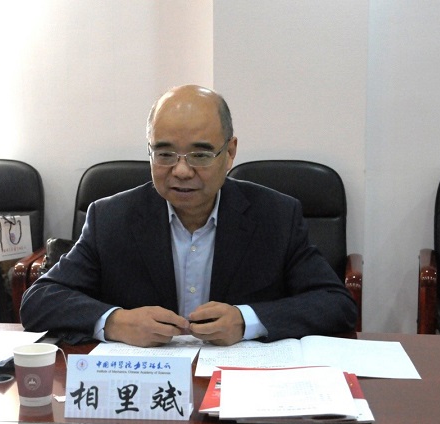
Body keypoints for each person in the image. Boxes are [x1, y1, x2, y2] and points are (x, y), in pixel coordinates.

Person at [20, 84, 357, 347]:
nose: (181, 171)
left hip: (238, 383)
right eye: (165, 154)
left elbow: (336, 304)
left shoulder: (275, 216)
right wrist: (115, 322)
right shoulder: (111, 218)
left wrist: (247, 321)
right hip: (148, 386)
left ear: (230, 153)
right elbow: (39, 301)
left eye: (200, 154)